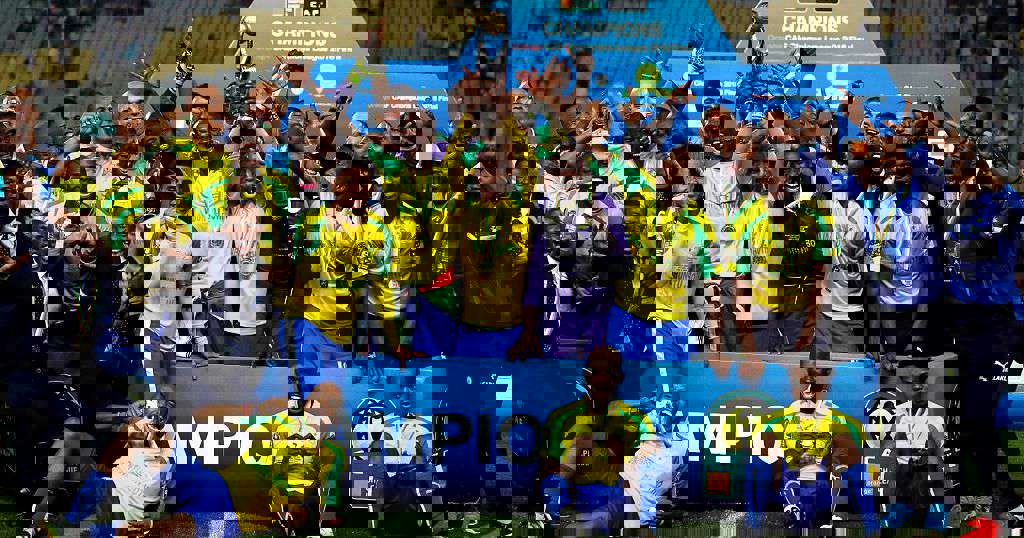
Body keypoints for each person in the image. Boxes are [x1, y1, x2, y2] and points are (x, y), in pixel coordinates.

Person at [942, 134, 1024, 506]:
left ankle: (1000, 489)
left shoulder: (1007, 205)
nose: (957, 179)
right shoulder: (955, 205)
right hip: (959, 316)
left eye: (963, 171)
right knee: (959, 407)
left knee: (983, 406)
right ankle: (969, 486)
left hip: (995, 317)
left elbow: (980, 243)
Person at [537, 101, 627, 359]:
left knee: (593, 350)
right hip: (563, 281)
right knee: (563, 349)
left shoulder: (616, 164)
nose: (595, 131)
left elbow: (614, 221)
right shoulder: (557, 165)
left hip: (599, 282)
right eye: (588, 125)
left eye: (599, 125)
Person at [539, 347, 660, 535]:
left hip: (617, 498)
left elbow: (648, 473)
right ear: (586, 376)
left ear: (618, 378)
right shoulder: (561, 418)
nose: (602, 379)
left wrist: (615, 455)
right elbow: (550, 471)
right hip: (574, 496)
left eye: (609, 372)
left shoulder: (636, 420)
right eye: (596, 373)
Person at [733, 123, 829, 354]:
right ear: (768, 173)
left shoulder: (814, 213)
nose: (787, 176)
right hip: (761, 308)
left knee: (794, 368)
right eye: (780, 169)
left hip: (797, 310)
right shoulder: (749, 212)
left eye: (792, 169)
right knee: (764, 368)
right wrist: (742, 305)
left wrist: (818, 306)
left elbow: (821, 267)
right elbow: (743, 267)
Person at [751, 369, 867, 529]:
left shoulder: (836, 420)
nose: (808, 390)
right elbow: (758, 442)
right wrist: (778, 454)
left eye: (814, 386)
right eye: (805, 385)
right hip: (793, 476)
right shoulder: (782, 417)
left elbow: (852, 450)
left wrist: (837, 461)